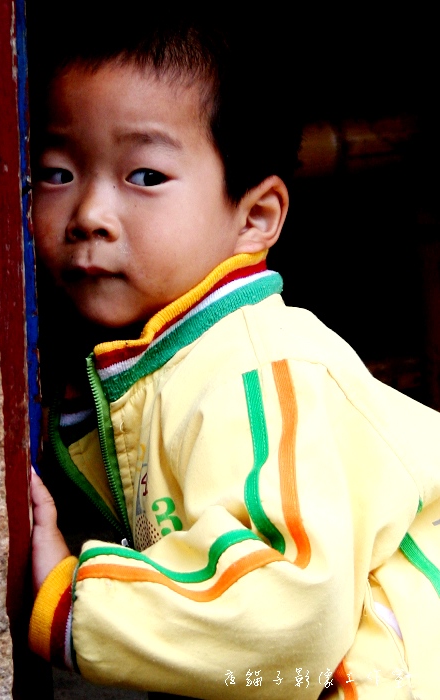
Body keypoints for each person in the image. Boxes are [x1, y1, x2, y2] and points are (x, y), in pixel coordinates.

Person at [27, 11, 440, 699]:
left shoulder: (258, 368)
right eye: (57, 171)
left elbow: (291, 605)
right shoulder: (157, 365)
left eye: (146, 175)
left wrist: (75, 605)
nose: (91, 213)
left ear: (254, 219)